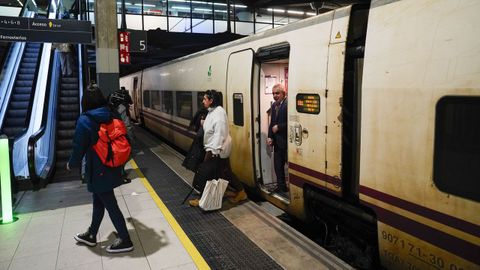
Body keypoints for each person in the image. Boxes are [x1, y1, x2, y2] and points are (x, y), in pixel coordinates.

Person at [67, 84, 133, 253]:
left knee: (110, 204)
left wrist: (72, 163)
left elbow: (78, 146)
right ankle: (92, 234)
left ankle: (125, 239)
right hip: (112, 164)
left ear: (85, 101)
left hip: (98, 169)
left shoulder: (85, 120)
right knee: (99, 201)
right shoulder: (111, 113)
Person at [189, 89, 247, 207]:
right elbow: (211, 127)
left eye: (205, 99)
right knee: (225, 172)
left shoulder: (219, 113)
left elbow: (219, 133)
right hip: (216, 150)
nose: (203, 101)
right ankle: (240, 192)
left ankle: (204, 200)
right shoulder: (212, 111)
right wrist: (203, 123)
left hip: (217, 151)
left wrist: (213, 151)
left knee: (208, 175)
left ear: (211, 100)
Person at [267, 84, 288, 193]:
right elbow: (272, 123)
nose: (275, 96)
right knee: (278, 167)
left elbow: (291, 122)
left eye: (277, 93)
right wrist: (270, 137)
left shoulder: (288, 104)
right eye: (273, 93)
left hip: (287, 142)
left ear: (283, 93)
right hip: (277, 142)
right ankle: (281, 187)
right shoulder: (274, 105)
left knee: (288, 167)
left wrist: (279, 127)